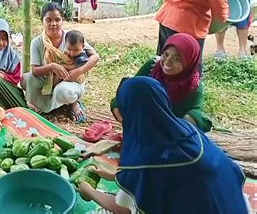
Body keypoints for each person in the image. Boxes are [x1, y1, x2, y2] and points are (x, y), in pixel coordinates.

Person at [79, 76, 251, 214]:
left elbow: (123, 208)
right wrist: (116, 175)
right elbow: (176, 178)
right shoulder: (189, 130)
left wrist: (90, 191)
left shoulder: (145, 158)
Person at [111, 33, 212, 132]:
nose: (168, 62)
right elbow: (127, 92)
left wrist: (179, 126)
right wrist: (126, 120)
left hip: (170, 133)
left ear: (189, 62)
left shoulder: (192, 86)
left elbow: (198, 116)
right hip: (142, 126)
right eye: (166, 54)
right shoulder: (153, 66)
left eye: (177, 59)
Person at [21, 3, 99, 122]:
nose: (53, 24)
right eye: (49, 20)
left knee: (62, 91)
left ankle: (72, 103)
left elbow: (95, 57)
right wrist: (52, 66)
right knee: (26, 79)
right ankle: (49, 107)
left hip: (69, 80)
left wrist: (79, 71)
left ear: (62, 20)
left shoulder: (71, 37)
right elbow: (35, 71)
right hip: (47, 81)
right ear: (42, 21)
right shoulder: (37, 42)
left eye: (57, 20)